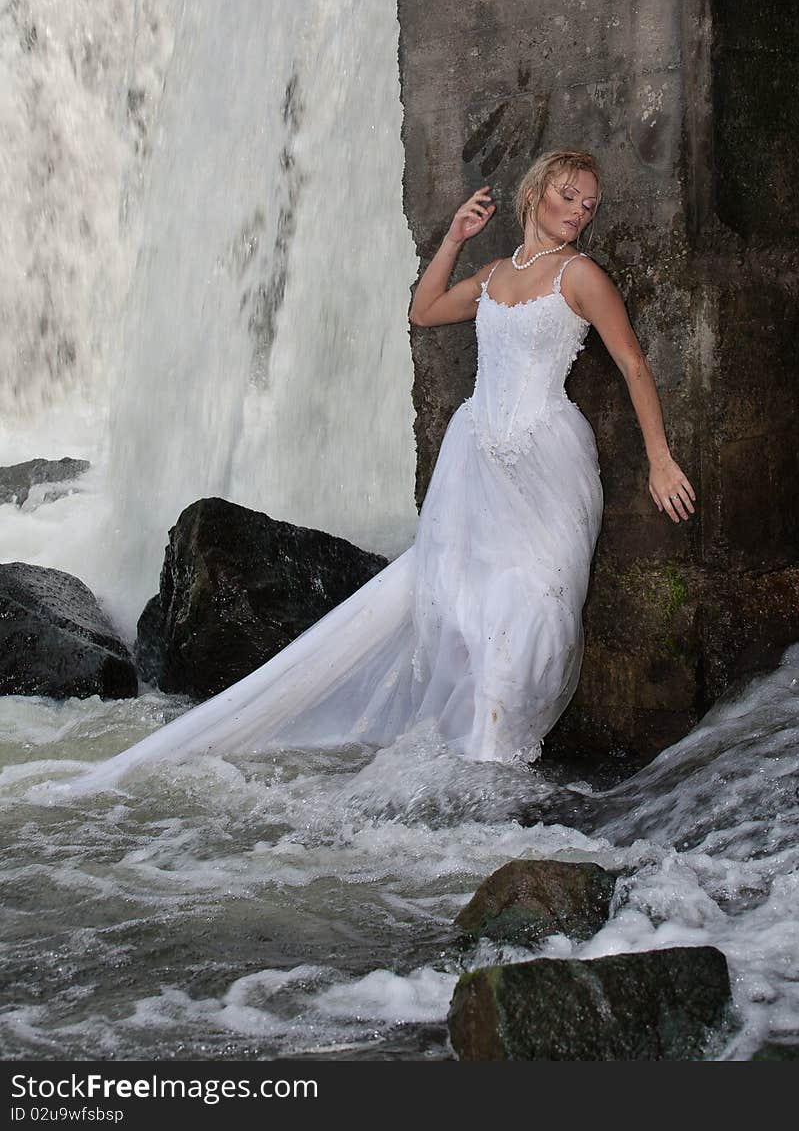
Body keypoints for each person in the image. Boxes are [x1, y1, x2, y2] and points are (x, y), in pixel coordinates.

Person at [62, 148, 695, 795]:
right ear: (534, 194)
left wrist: (660, 458)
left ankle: (498, 752)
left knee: (536, 599)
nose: (579, 212)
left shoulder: (581, 275)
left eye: (589, 204)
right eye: (568, 195)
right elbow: (423, 312)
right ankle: (476, 757)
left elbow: (633, 364)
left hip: (546, 458)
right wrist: (453, 238)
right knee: (456, 601)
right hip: (474, 457)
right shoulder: (497, 274)